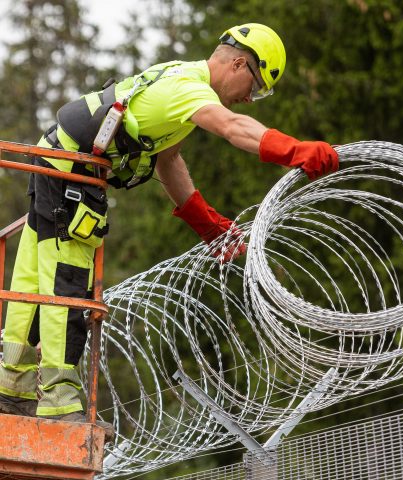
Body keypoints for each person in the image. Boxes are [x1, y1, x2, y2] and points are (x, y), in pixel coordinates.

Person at [0, 23, 338, 422]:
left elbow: (168, 158)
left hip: (58, 161)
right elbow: (233, 128)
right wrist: (295, 150)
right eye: (256, 86)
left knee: (32, 280)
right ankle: (60, 402)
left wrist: (207, 225)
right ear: (238, 63)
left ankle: (11, 388)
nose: (249, 98)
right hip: (72, 173)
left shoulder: (181, 79)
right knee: (66, 280)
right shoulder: (188, 90)